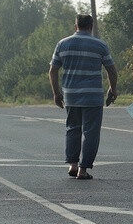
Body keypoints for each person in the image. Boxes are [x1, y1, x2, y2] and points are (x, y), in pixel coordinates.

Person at [48, 14, 117, 180]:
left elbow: (53, 70)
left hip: (71, 96)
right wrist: (113, 89)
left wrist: (56, 93)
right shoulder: (100, 45)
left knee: (73, 129)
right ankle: (83, 169)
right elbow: (111, 70)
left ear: (75, 26)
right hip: (93, 96)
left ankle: (72, 164)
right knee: (91, 132)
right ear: (91, 27)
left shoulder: (62, 44)